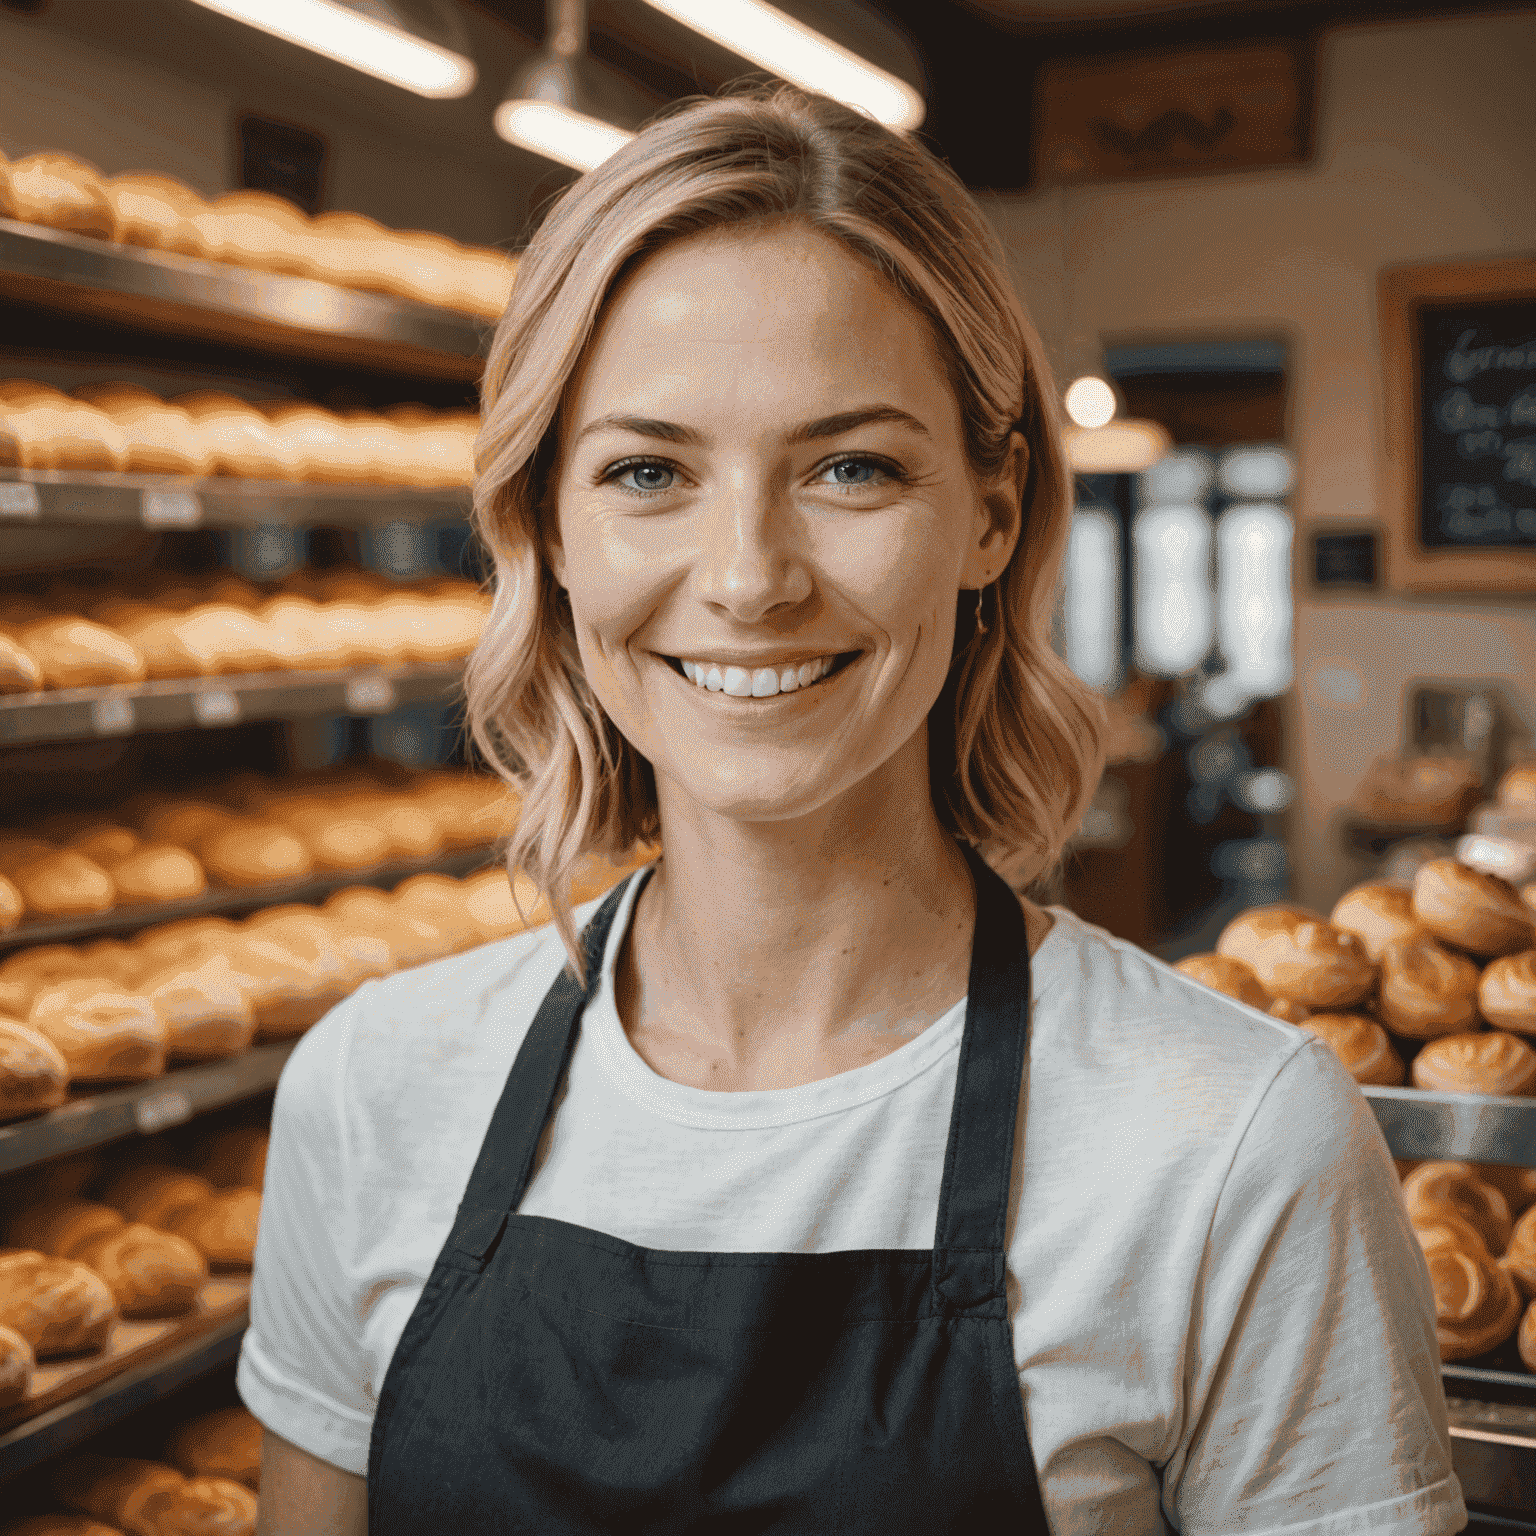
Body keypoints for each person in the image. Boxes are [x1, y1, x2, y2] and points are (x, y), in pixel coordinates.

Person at [242, 85, 1464, 1536]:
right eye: (649, 471)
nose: (750, 576)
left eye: (851, 467)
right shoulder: (373, 1089)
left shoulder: (1234, 1144)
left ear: (990, 513)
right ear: (549, 528)